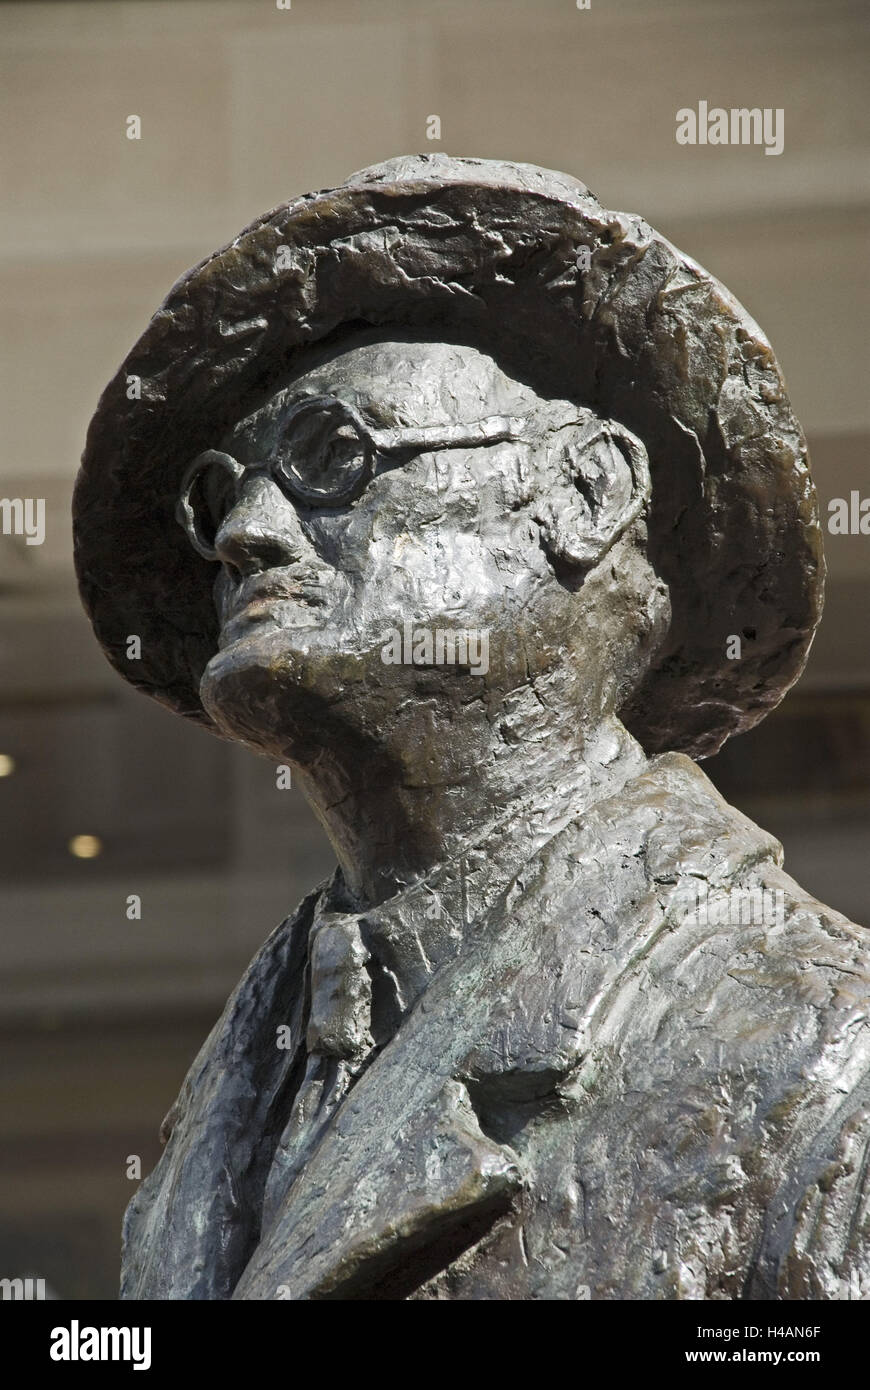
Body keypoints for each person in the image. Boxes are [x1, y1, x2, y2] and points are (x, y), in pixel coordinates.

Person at [74, 156, 868, 1300]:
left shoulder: (824, 1057)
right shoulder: (238, 1083)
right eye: (219, 493)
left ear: (586, 497)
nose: (245, 532)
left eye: (331, 457)